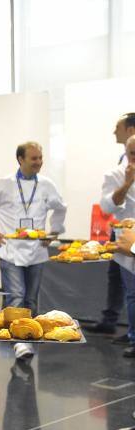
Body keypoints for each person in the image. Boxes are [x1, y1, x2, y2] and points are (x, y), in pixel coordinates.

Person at [0, 141, 67, 359]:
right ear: (21, 159)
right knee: (16, 296)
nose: (38, 162)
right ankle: (19, 343)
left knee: (31, 300)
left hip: (36, 252)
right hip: (10, 251)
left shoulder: (46, 184)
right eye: (34, 158)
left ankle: (27, 334)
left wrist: (53, 232)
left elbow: (60, 207)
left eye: (40, 158)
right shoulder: (4, 183)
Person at [87, 112, 135, 339]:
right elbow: (108, 206)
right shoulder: (119, 167)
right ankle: (113, 322)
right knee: (118, 277)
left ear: (130, 130)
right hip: (121, 230)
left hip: (130, 233)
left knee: (130, 286)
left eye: (118, 127)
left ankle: (129, 332)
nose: (114, 132)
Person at [102, 135, 135, 357]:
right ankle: (134, 336)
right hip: (127, 245)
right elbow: (107, 207)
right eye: (133, 153)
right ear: (126, 151)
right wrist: (127, 183)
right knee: (132, 293)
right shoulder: (114, 175)